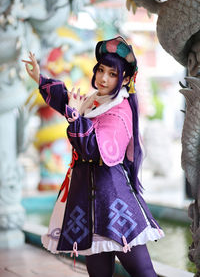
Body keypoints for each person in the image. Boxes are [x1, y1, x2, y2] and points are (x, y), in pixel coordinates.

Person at [23, 36, 164, 277]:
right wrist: (39, 78)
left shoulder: (120, 111)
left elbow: (93, 148)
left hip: (113, 199)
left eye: (112, 74)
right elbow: (66, 99)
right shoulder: (93, 101)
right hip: (86, 202)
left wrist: (76, 117)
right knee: (98, 274)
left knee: (143, 272)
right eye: (101, 70)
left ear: (126, 79)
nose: (103, 78)